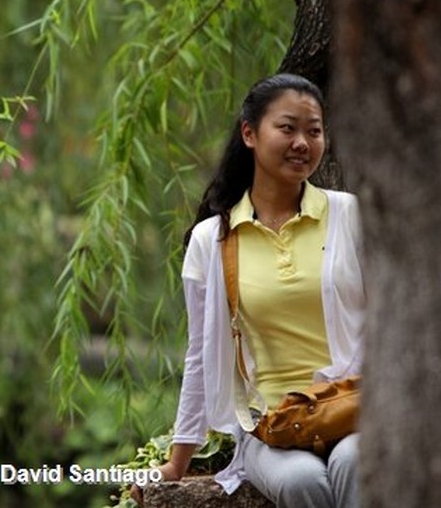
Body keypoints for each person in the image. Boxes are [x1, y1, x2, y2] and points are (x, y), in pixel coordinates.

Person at [144, 73, 365, 507]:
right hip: (271, 426)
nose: (302, 142)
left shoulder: (351, 216)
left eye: (314, 131)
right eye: (288, 128)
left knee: (353, 464)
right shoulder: (214, 241)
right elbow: (200, 354)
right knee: (303, 481)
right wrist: (178, 462)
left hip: (354, 411)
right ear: (250, 133)